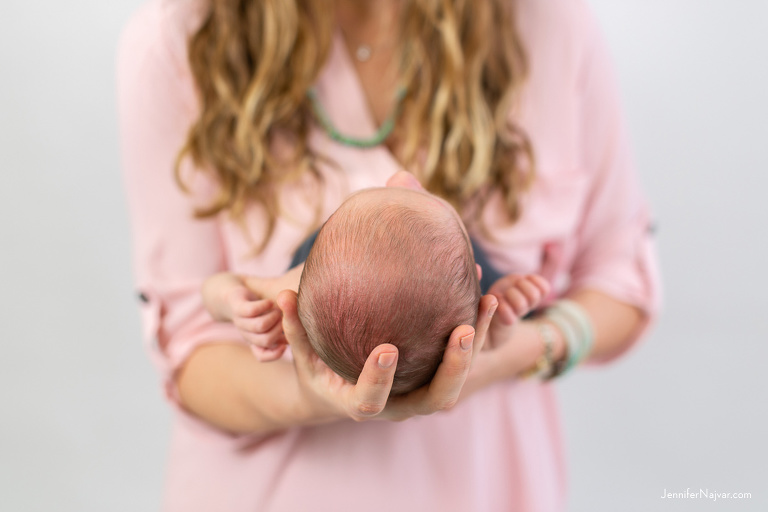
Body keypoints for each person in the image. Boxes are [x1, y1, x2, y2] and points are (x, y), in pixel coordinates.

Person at [117, 0, 660, 510]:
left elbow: (621, 279)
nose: (405, 180)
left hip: (489, 487)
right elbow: (190, 349)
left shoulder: (546, 22)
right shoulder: (181, 41)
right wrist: (314, 395)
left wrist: (531, 343)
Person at [202, 185, 548, 395]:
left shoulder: (300, 286)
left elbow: (213, 289)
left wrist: (233, 303)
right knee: (487, 326)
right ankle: (497, 327)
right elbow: (488, 331)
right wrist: (503, 317)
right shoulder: (458, 271)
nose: (399, 179)